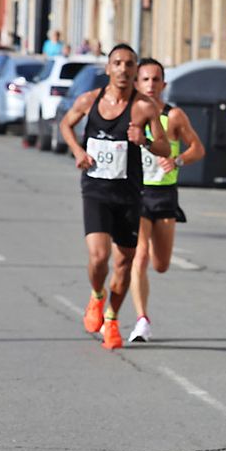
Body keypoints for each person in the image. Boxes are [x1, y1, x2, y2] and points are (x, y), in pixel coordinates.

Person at [58, 43, 171, 350]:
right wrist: (77, 150)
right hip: (95, 189)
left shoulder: (145, 108)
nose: (123, 69)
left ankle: (112, 318)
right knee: (98, 257)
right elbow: (66, 124)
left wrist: (145, 140)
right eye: (117, 63)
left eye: (129, 64)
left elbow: (165, 149)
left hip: (129, 194)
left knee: (123, 265)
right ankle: (97, 296)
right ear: (108, 68)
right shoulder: (89, 100)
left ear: (135, 71)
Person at [128, 58, 206, 343]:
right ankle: (142, 320)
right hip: (136, 192)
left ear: (164, 84)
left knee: (160, 264)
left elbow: (198, 148)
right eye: (145, 79)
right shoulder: (129, 114)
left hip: (163, 195)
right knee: (140, 256)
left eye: (155, 79)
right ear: (137, 83)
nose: (150, 85)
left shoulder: (174, 116)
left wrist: (178, 160)